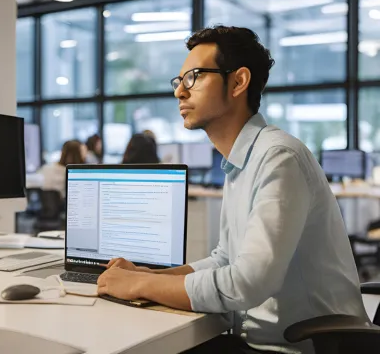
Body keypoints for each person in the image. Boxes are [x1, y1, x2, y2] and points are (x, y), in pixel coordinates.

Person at [96, 26, 366, 354]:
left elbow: (248, 283)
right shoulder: (239, 161)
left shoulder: (278, 157)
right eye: (178, 81)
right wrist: (152, 275)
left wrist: (141, 284)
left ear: (238, 82)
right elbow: (225, 258)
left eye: (193, 77)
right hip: (256, 339)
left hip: (303, 346)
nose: (180, 92)